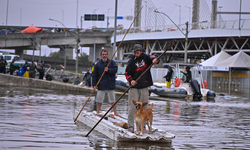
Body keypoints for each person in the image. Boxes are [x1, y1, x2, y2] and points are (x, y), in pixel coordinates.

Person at [125, 44, 158, 133]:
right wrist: (131, 80)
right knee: (132, 107)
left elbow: (153, 57)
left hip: (144, 86)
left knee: (144, 107)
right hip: (134, 87)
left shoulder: (146, 57)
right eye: (135, 51)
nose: (136, 53)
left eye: (138, 51)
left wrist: (155, 60)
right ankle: (131, 126)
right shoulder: (131, 61)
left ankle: (142, 127)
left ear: (141, 51)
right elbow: (127, 73)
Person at [92, 49, 120, 117]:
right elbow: (94, 75)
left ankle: (115, 112)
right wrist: (94, 85)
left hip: (110, 84)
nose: (104, 56)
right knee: (99, 99)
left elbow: (115, 70)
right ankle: (98, 111)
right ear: (101, 55)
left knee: (112, 99)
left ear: (107, 55)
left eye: (105, 54)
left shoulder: (112, 63)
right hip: (101, 84)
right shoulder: (98, 64)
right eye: (103, 54)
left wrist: (108, 70)